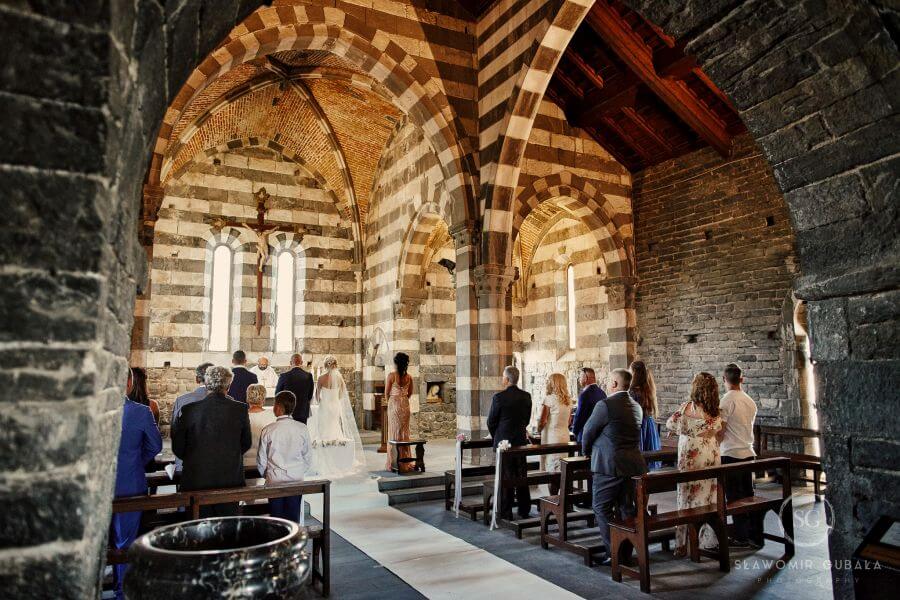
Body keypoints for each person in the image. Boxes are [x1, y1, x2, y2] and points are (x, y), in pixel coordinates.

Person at [581, 368, 646, 564]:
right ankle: (625, 552)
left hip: (608, 465)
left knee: (601, 507)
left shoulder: (605, 405)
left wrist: (586, 451)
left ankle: (614, 553)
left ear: (615, 384)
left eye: (609, 380)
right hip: (632, 466)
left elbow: (588, 431)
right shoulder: (636, 406)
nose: (606, 383)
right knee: (626, 509)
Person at [172, 365, 252, 517]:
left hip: (197, 479)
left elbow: (178, 447)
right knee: (227, 525)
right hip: (229, 480)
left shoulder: (189, 410)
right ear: (228, 386)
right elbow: (246, 443)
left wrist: (196, 459)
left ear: (207, 384)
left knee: (198, 525)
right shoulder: (240, 409)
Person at [112, 368, 163, 600]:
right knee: (125, 541)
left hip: (96, 486)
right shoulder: (141, 412)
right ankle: (121, 591)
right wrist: (136, 462)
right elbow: (155, 445)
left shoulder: (91, 411)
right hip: (129, 484)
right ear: (129, 384)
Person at [666, 372, 724, 556]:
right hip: (710, 455)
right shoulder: (716, 411)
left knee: (686, 497)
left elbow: (670, 424)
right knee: (708, 497)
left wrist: (679, 430)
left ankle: (682, 544)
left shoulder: (686, 408)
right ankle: (706, 540)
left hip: (690, 455)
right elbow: (717, 432)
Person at [718, 363, 764, 549]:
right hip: (748, 452)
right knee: (748, 495)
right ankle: (754, 536)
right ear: (741, 379)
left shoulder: (726, 401)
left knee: (734, 498)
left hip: (730, 453)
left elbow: (721, 431)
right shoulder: (750, 401)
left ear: (724, 379)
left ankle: (741, 537)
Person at [257, 391, 313, 522]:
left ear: (278, 407)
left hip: (275, 479)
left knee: (276, 518)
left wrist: (267, 475)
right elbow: (308, 457)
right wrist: (298, 471)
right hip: (296, 479)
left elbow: (261, 460)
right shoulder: (302, 428)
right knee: (293, 516)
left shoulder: (268, 430)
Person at [307, 356, 366, 477]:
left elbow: (316, 396)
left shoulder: (321, 378)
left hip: (325, 406)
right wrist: (334, 400)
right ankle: (336, 442)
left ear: (325, 365)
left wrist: (322, 402)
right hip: (335, 407)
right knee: (335, 425)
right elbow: (342, 395)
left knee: (324, 426)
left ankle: (326, 444)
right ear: (335, 365)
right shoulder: (339, 378)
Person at [487, 365, 532, 520]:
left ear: (506, 379)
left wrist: (497, 436)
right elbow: (526, 419)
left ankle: (506, 511)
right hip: (520, 441)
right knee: (521, 474)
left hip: (504, 443)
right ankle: (524, 509)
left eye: (503, 376)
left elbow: (491, 421)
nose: (502, 379)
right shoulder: (526, 396)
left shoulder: (499, 397)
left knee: (506, 476)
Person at [171, 362, 213, 472]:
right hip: (216, 465)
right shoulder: (229, 401)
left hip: (187, 463)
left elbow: (174, 433)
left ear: (197, 379)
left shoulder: (182, 401)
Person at [536, 373, 574, 481]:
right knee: (562, 468)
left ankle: (554, 491)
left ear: (553, 383)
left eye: (549, 381)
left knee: (552, 470)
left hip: (552, 437)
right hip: (564, 436)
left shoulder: (549, 399)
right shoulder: (568, 400)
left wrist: (538, 430)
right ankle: (561, 490)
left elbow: (542, 421)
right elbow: (569, 422)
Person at [384, 352, 415, 472]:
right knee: (404, 433)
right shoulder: (409, 377)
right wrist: (403, 400)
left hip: (394, 405)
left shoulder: (391, 376)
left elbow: (386, 393)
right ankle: (404, 461)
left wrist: (391, 403)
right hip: (405, 405)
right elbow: (410, 393)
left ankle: (393, 462)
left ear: (396, 363)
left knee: (394, 433)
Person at [629, 360, 661, 469]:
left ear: (634, 372)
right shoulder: (648, 388)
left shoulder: (633, 392)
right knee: (649, 459)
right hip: (649, 424)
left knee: (640, 458)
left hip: (640, 425)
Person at [245, 383, 276, 473]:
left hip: (245, 462)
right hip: (267, 463)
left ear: (248, 398)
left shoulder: (240, 416)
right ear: (263, 398)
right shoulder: (273, 416)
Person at [276, 353, 314, 424]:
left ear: (291, 363)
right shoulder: (308, 376)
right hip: (302, 410)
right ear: (301, 362)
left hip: (287, 411)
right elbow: (310, 395)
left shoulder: (284, 376)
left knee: (288, 430)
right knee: (301, 429)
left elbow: (278, 394)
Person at [571, 367, 606, 442]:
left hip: (585, 433)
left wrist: (574, 431)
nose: (579, 379)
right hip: (599, 434)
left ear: (586, 378)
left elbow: (579, 416)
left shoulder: (585, 395)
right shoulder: (602, 393)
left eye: (580, 376)